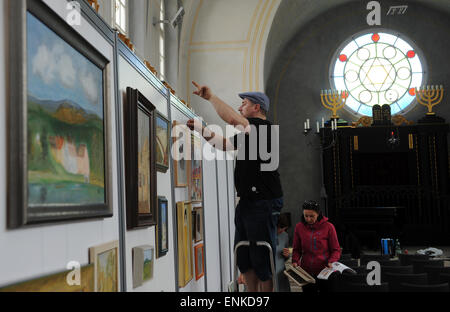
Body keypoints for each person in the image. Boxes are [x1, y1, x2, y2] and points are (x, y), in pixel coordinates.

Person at [187, 81, 283, 292]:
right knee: (245, 257)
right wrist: (202, 130)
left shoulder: (263, 128)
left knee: (262, 259)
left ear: (256, 107)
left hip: (263, 202)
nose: (240, 107)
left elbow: (232, 119)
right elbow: (224, 144)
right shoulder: (249, 133)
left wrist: (211, 97)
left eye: (244, 103)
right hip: (248, 202)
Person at [292, 200, 341, 293]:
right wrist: (295, 261)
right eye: (306, 216)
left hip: (325, 270)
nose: (308, 219)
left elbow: (336, 250)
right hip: (306, 272)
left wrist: (331, 261)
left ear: (318, 214)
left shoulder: (328, 227)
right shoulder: (299, 227)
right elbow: (296, 249)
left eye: (312, 216)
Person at [275, 212, 291, 292]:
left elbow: (285, 256)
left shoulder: (285, 236)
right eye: (280, 229)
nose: (282, 231)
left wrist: (287, 255)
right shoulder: (266, 236)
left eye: (284, 229)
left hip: (281, 273)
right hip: (269, 273)